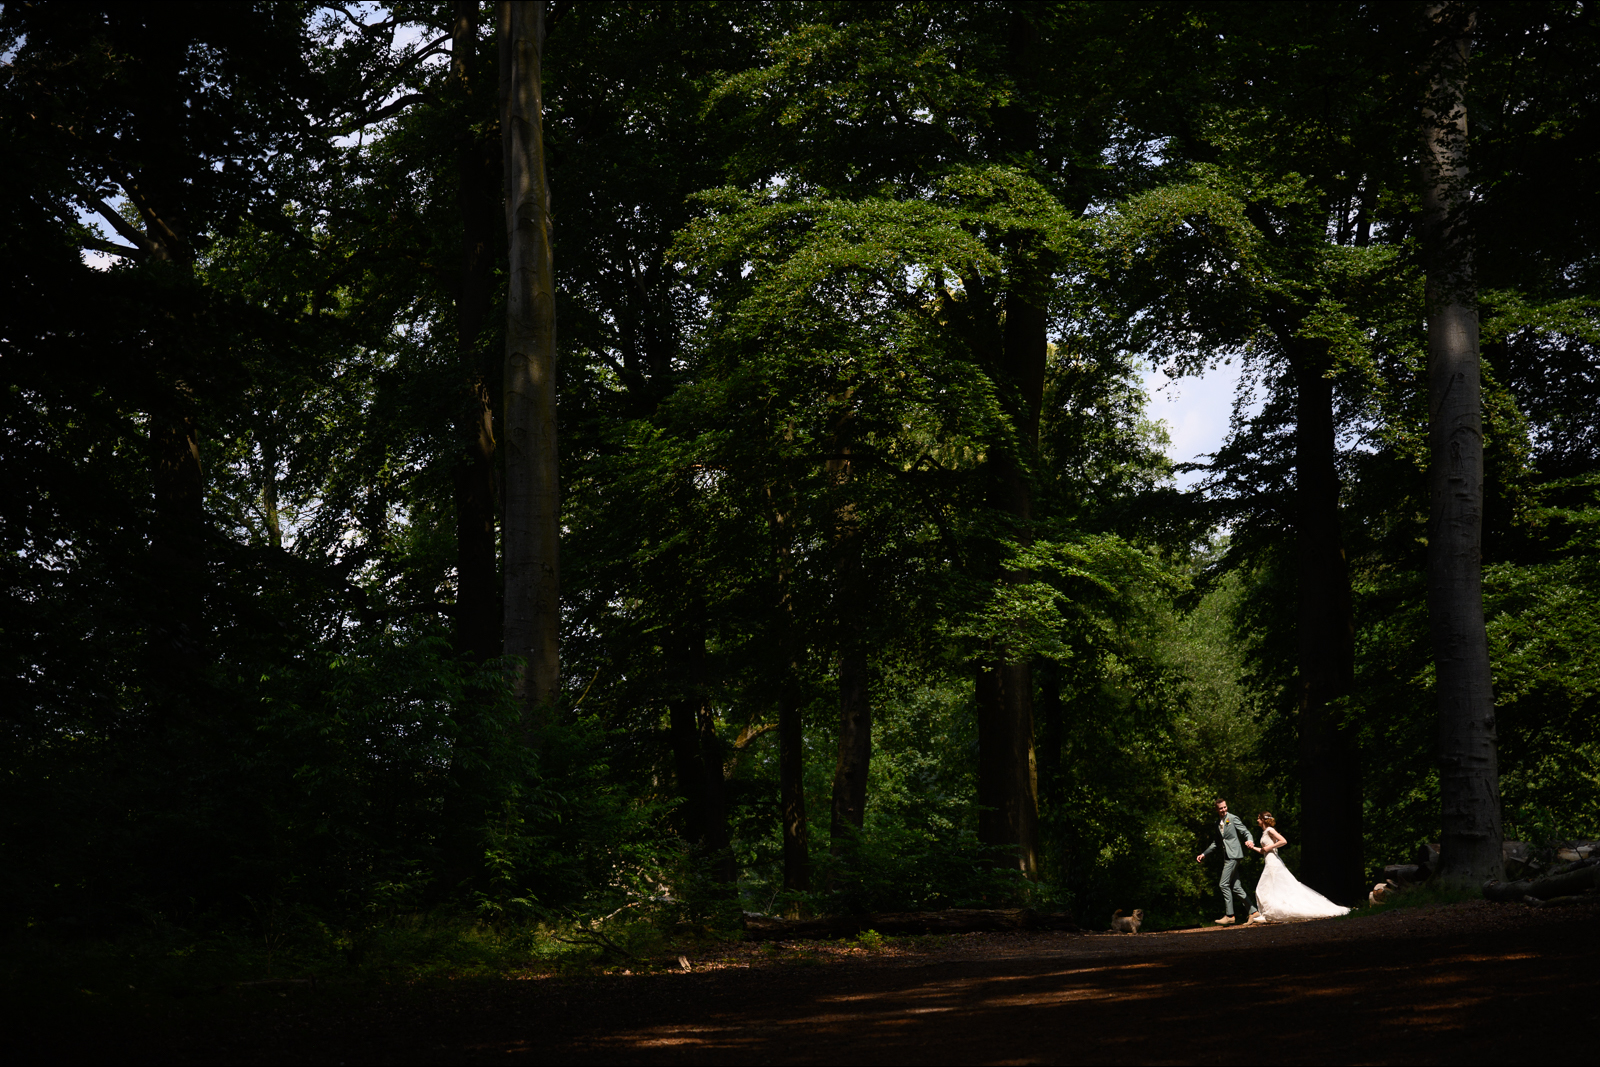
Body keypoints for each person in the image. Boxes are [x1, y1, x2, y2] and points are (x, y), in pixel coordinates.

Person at [1247, 812, 1351, 921]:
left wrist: (1270, 847)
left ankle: (1273, 912)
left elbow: (1283, 841)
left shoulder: (1270, 830)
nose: (1257, 820)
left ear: (1263, 820)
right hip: (1269, 862)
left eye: (1258, 818)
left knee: (1263, 887)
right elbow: (1263, 851)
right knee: (1270, 888)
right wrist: (1252, 847)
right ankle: (1271, 913)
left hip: (1273, 863)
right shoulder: (1265, 832)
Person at [1194, 797, 1256, 925]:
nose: (1223, 810)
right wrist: (1204, 854)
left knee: (1223, 884)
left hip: (1234, 855)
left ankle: (1230, 915)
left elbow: (1245, 832)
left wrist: (1250, 840)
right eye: (1221, 808)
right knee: (1236, 887)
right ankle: (1254, 912)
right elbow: (1216, 842)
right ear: (1216, 810)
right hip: (1228, 856)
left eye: (1225, 807)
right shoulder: (1217, 823)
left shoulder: (1232, 818)